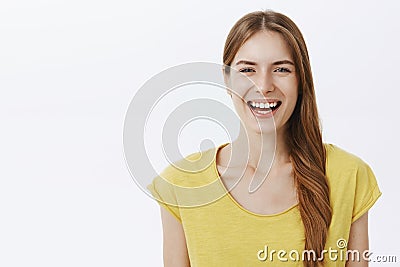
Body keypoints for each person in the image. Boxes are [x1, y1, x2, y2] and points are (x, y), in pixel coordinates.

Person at [147, 10, 381, 267]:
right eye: (247, 69)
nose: (264, 85)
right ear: (227, 81)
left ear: (301, 79)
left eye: (281, 69)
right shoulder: (183, 182)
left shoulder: (349, 176)